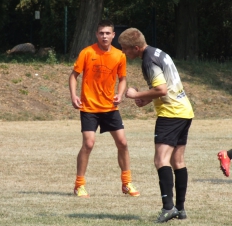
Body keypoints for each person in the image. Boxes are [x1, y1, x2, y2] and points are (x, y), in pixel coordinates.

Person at [118, 28, 194, 223]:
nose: (123, 53)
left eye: (125, 49)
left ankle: (168, 208)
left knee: (161, 160)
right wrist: (146, 99)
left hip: (171, 114)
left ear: (136, 48)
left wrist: (136, 94)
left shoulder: (148, 60)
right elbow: (165, 86)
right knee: (178, 161)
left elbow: (161, 89)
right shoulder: (158, 53)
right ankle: (181, 208)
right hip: (184, 110)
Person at [69, 20, 140, 198]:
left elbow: (122, 78)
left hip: (110, 107)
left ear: (113, 35)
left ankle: (126, 183)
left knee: (123, 143)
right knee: (88, 144)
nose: (104, 36)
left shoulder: (119, 55)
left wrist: (120, 93)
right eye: (101, 33)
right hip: (89, 107)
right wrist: (73, 95)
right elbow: (73, 76)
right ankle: (79, 185)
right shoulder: (87, 52)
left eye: (107, 33)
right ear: (96, 34)